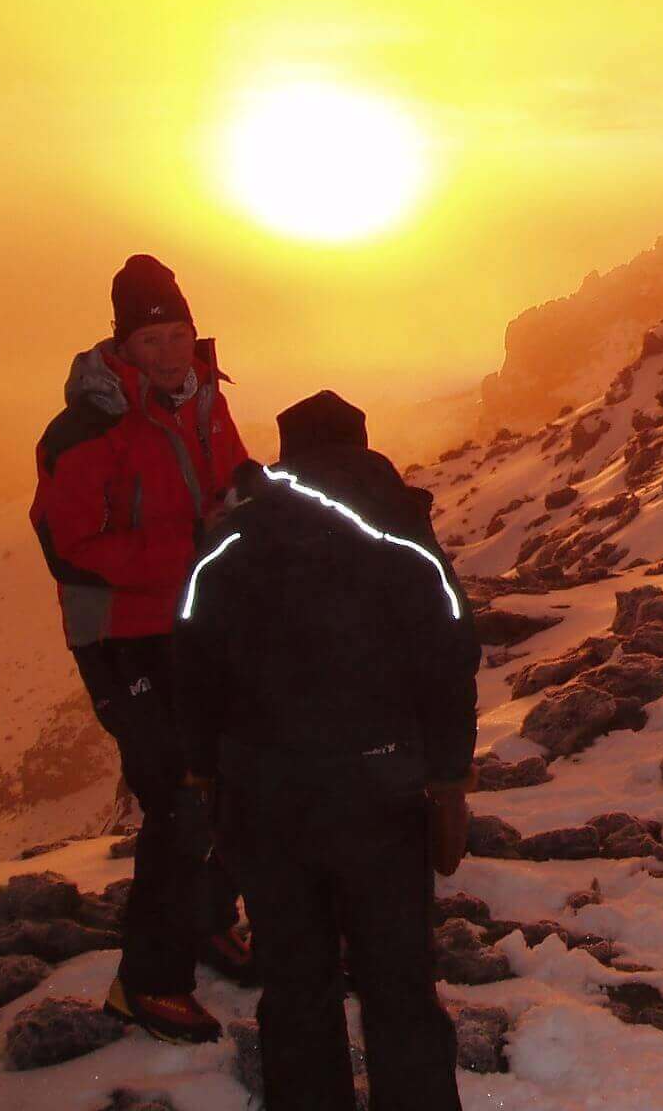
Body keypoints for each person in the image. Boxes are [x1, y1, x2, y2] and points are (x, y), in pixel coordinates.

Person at [176, 391, 480, 1111]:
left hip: (264, 795)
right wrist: (446, 781)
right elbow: (450, 662)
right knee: (398, 979)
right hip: (381, 789)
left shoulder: (228, 546)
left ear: (286, 459)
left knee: (295, 981)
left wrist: (204, 777)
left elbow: (193, 668)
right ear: (364, 449)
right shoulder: (405, 540)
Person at [30, 254, 256, 1043]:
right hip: (121, 637)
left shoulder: (203, 400)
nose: (168, 352)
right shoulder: (85, 428)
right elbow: (71, 545)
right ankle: (149, 984)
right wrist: (193, 545)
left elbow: (226, 480)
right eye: (152, 338)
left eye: (178, 334)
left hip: (194, 620)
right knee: (177, 798)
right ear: (123, 345)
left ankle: (205, 920)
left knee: (229, 771)